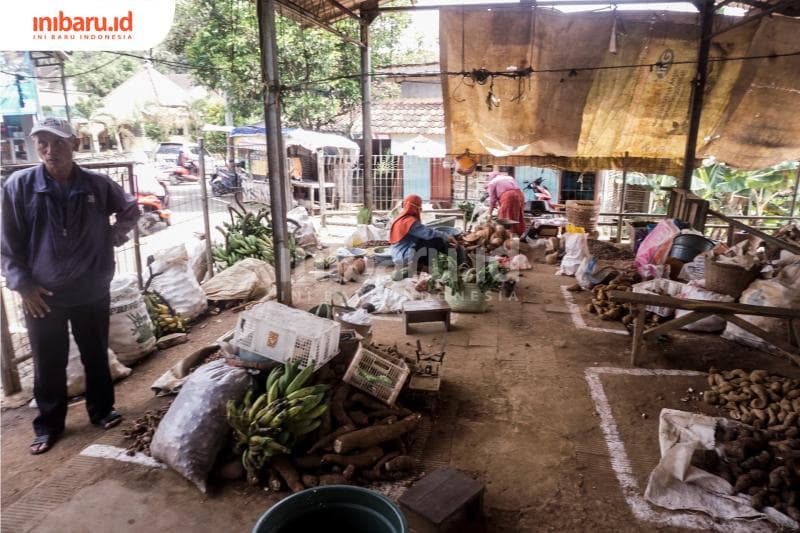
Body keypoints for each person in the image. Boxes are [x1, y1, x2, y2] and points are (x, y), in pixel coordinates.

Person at [1, 118, 140, 455]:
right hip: (42, 296)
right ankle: (48, 425)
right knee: (49, 362)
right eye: (43, 143)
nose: (51, 150)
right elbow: (7, 243)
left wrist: (112, 236)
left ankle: (102, 410)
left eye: (59, 143)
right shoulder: (19, 186)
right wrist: (24, 286)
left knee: (95, 354)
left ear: (75, 145)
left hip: (91, 289)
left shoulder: (96, 185)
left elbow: (130, 210)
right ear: (36, 147)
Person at [389, 194, 460, 271]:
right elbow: (429, 234)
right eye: (419, 207)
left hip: (397, 254)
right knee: (436, 241)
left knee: (428, 240)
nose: (420, 209)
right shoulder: (409, 221)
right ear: (415, 207)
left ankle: (422, 264)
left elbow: (422, 230)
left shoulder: (402, 218)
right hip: (405, 256)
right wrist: (447, 236)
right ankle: (425, 266)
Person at [486, 170, 527, 235]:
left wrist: (489, 214)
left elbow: (492, 200)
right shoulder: (509, 177)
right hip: (520, 195)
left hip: (509, 197)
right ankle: (518, 234)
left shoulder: (492, 183)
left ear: (491, 177)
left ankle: (507, 235)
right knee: (517, 215)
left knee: (505, 216)